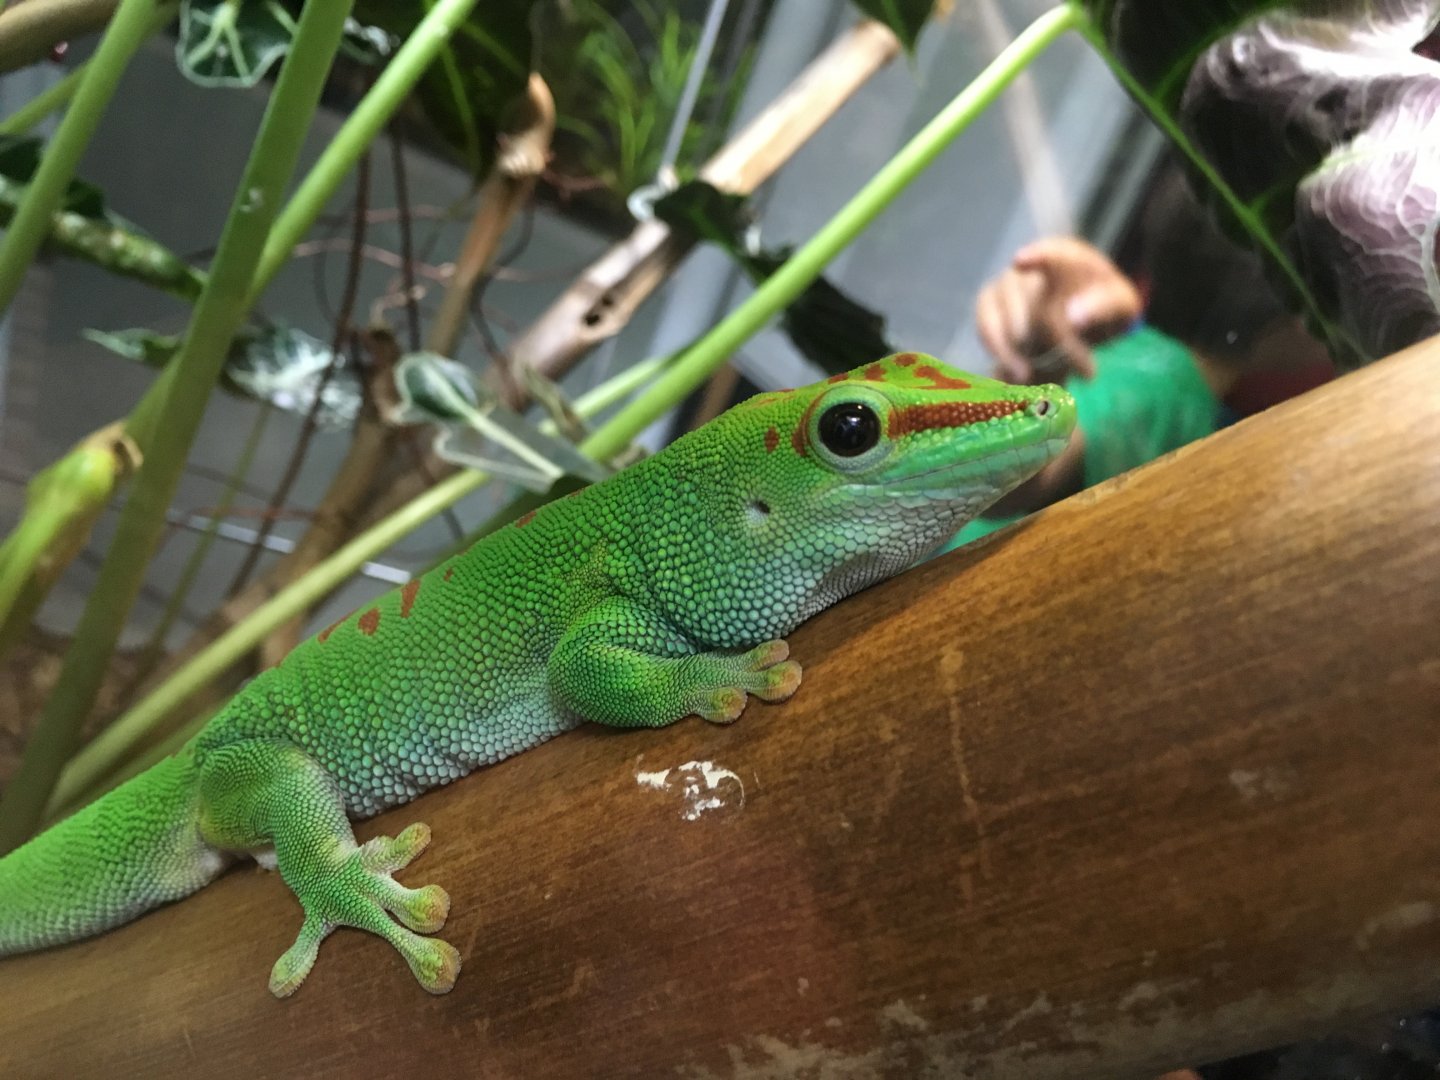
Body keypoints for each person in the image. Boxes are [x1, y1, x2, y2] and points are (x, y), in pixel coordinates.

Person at [941, 166, 1334, 553]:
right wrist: (1034, 357)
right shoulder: (1158, 395)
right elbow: (1024, 479)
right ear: (1302, 321)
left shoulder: (1155, 358)